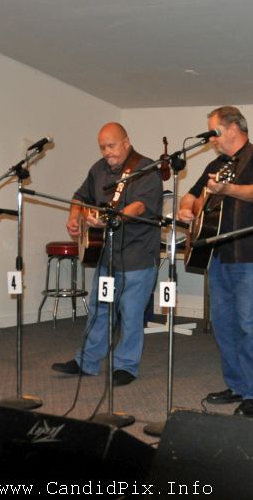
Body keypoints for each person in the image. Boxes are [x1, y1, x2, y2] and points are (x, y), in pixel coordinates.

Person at [177, 106, 253, 418]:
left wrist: (227, 189)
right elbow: (192, 195)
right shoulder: (216, 164)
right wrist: (187, 208)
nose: (212, 139)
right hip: (219, 256)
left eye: (215, 132)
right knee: (223, 325)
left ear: (234, 128)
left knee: (250, 325)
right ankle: (236, 385)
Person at [52, 122, 162, 386]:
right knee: (99, 309)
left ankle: (126, 366)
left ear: (126, 142)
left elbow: (139, 206)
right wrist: (74, 217)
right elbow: (79, 196)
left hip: (138, 256)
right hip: (107, 254)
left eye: (111, 146)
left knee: (131, 314)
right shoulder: (98, 169)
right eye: (102, 147)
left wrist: (110, 219)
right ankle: (87, 361)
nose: (107, 152)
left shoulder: (146, 169)